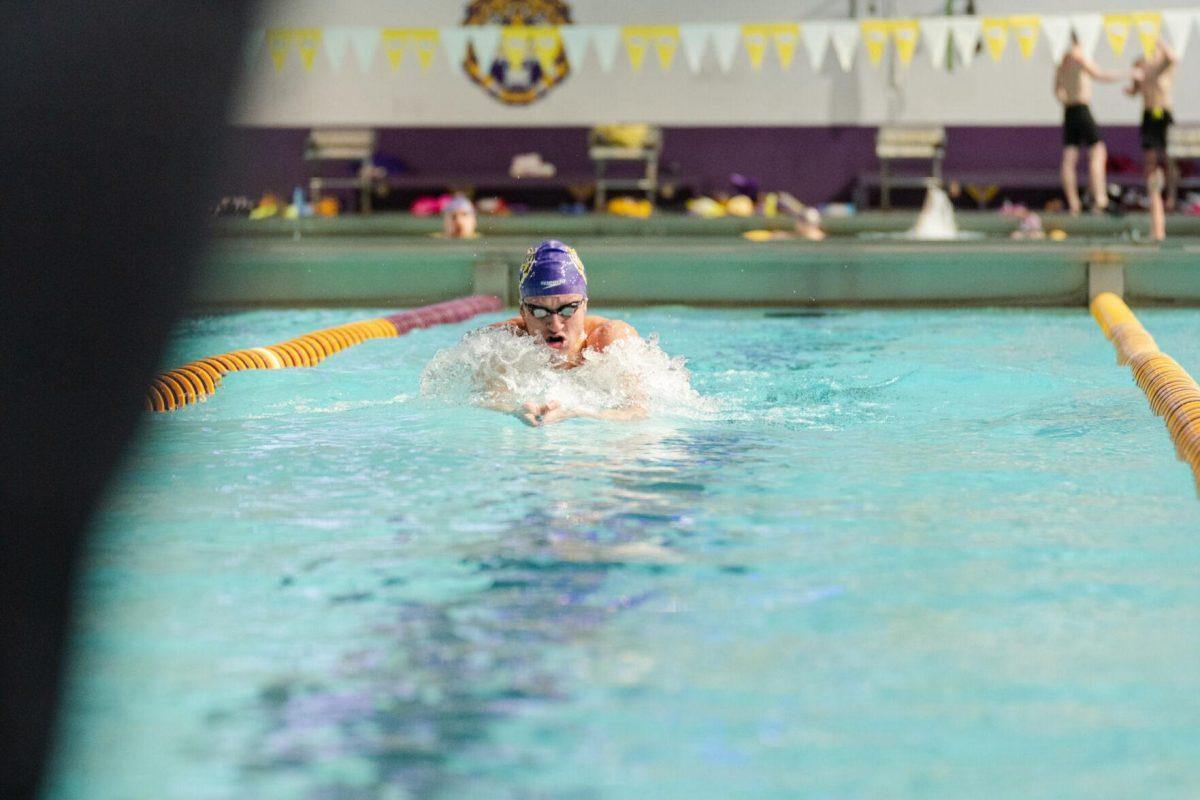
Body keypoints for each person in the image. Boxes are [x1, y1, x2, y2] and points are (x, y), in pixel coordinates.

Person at [491, 239, 643, 426]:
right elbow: (487, 398)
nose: (555, 325)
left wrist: (583, 413)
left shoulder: (610, 340)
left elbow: (638, 411)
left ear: (584, 305)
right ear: (522, 311)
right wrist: (515, 410)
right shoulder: (503, 340)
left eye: (567, 309)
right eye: (539, 311)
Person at [1054, 34, 1127, 215]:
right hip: (1082, 109)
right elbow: (1100, 75)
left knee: (1069, 158)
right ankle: (1100, 199)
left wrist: (1067, 99)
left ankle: (1074, 204)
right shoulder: (1079, 56)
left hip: (1069, 111)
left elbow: (1057, 90)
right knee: (1097, 152)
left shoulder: (1062, 60)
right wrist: (1127, 73)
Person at [1127, 37, 1178, 241]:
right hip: (1149, 115)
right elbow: (1134, 91)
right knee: (1150, 158)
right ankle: (1153, 191)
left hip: (1162, 113)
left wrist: (1160, 41)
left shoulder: (1163, 68)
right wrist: (1131, 88)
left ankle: (1172, 195)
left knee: (1168, 156)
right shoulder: (1144, 68)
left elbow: (1172, 57)